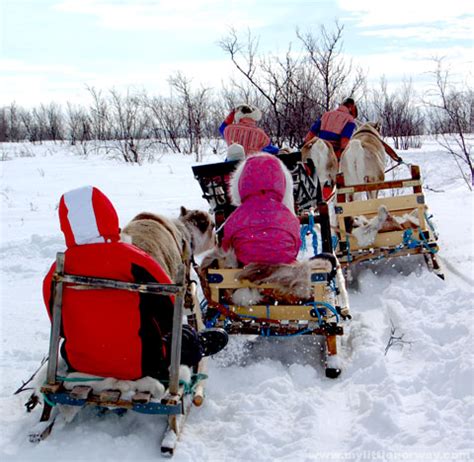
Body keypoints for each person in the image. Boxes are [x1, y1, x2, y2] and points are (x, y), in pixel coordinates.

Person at [42, 186, 228, 381]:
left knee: (70, 345)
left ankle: (93, 357)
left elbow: (59, 324)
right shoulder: (135, 259)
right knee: (185, 336)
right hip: (143, 364)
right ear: (109, 214)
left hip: (79, 361)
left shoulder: (59, 268)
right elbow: (169, 312)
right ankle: (198, 343)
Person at [222, 153, 301, 266]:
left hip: (246, 266)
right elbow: (296, 244)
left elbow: (227, 246)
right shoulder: (287, 217)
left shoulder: (236, 216)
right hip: (282, 266)